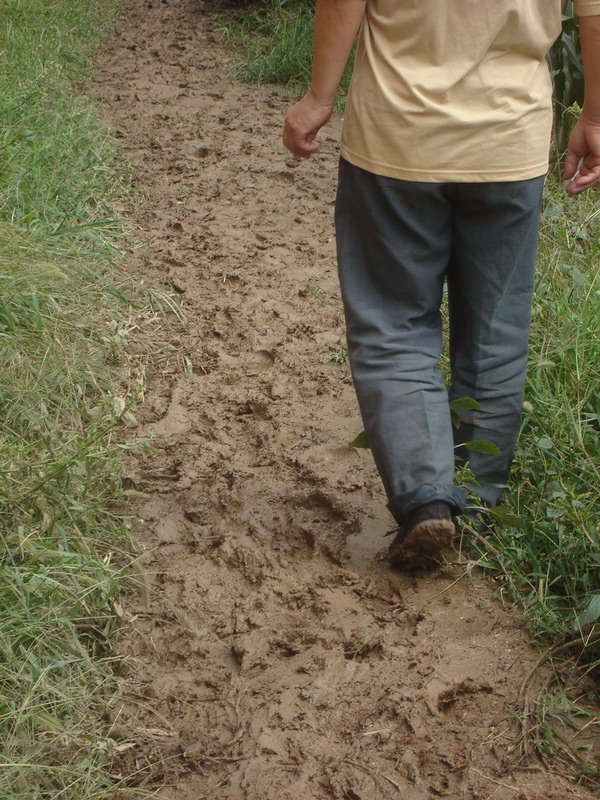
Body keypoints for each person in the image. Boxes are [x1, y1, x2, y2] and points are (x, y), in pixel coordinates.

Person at [283, 1, 600, 568]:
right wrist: (595, 116)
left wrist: (318, 98)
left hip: (395, 139)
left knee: (393, 325)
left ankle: (428, 499)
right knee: (495, 336)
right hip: (508, 141)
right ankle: (473, 511)